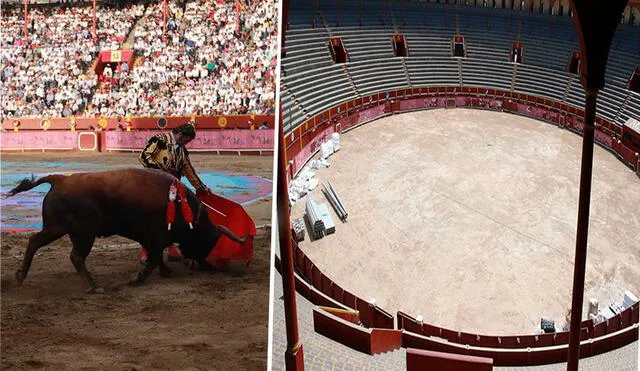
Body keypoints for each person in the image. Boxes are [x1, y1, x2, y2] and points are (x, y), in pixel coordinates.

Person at [138, 121, 210, 263]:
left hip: (172, 189)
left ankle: (170, 247)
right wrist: (160, 171)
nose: (186, 143)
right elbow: (144, 156)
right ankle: (146, 251)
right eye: (186, 140)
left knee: (174, 217)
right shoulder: (160, 140)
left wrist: (201, 187)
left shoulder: (182, 150)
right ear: (180, 135)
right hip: (153, 186)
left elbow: (188, 170)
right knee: (152, 218)